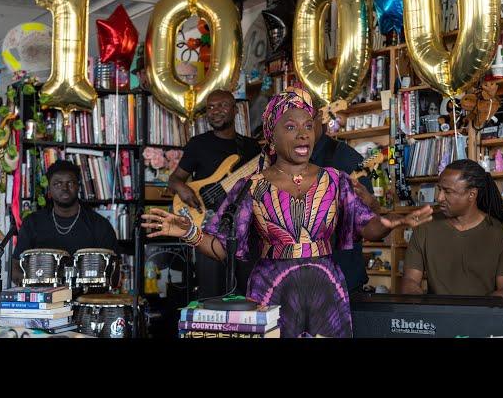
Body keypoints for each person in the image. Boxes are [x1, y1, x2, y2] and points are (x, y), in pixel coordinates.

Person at [142, 88, 432, 338]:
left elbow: (367, 228)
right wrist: (189, 232)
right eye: (291, 127)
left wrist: (390, 222)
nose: (303, 133)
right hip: (271, 290)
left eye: (308, 125)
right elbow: (222, 248)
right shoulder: (250, 186)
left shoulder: (336, 179)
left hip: (326, 288)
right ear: (271, 134)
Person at [167, 89, 261, 299]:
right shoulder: (198, 144)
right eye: (210, 107)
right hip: (208, 231)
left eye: (222, 106)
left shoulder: (250, 147)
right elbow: (174, 179)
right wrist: (183, 188)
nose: (215, 111)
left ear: (235, 110)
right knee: (210, 296)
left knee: (248, 295)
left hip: (244, 232)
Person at [401, 159, 503, 297]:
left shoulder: (502, 235)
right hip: (435, 316)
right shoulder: (424, 228)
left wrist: (471, 315)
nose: (439, 198)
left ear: (472, 194)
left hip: (484, 316)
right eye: (439, 189)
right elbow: (409, 281)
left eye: (448, 191)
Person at [11, 160, 118, 286]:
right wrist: (35, 285)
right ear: (49, 189)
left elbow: (113, 272)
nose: (64, 188)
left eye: (70, 183)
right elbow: (15, 267)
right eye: (57, 184)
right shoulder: (32, 223)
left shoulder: (100, 225)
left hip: (84, 300)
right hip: (44, 300)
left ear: (78, 186)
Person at [311, 109, 381, 294]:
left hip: (340, 281)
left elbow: (367, 221)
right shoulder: (282, 159)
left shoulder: (346, 158)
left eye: (307, 121)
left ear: (320, 119)